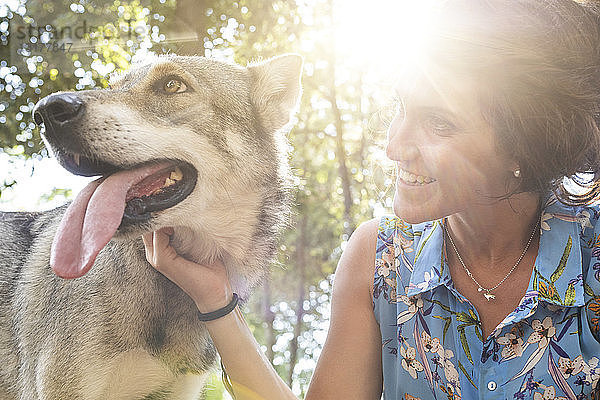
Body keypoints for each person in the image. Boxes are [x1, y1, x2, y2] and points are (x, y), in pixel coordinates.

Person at [141, 0, 600, 398]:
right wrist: (217, 301)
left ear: (529, 143)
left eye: (439, 124)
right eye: (402, 107)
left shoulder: (592, 254)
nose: (395, 146)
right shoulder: (379, 260)